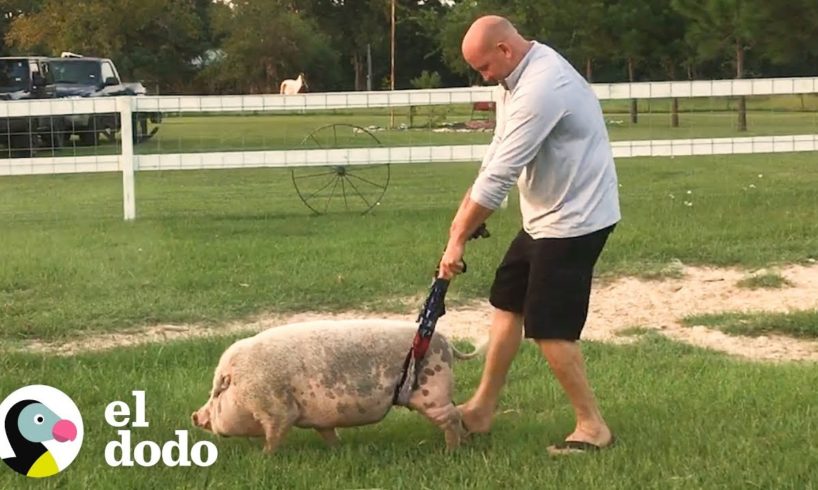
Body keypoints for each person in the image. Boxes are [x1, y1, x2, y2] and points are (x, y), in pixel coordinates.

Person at [437, 15, 621, 455]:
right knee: (507, 302)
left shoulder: (542, 86)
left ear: (504, 49)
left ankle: (593, 427)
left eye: (484, 67)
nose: (483, 77)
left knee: (549, 325)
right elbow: (499, 153)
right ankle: (482, 409)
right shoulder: (514, 80)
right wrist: (470, 219)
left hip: (576, 218)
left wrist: (457, 236)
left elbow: (501, 174)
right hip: (544, 216)